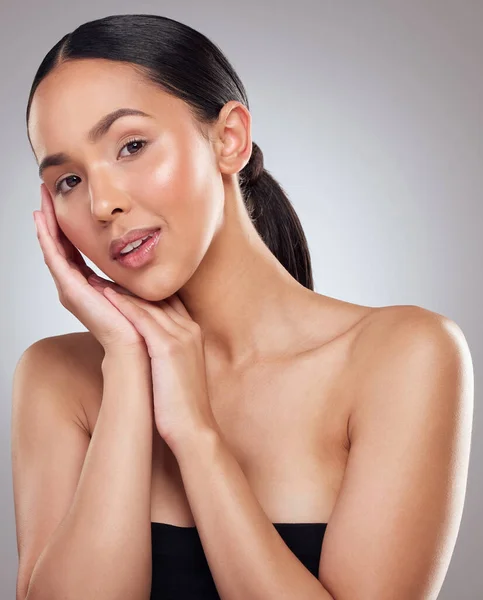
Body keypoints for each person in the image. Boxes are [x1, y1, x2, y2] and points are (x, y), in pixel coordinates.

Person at [12, 13, 473, 600]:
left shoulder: (402, 356)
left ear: (228, 139)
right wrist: (127, 366)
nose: (102, 204)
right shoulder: (58, 379)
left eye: (131, 145)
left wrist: (195, 435)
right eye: (68, 181)